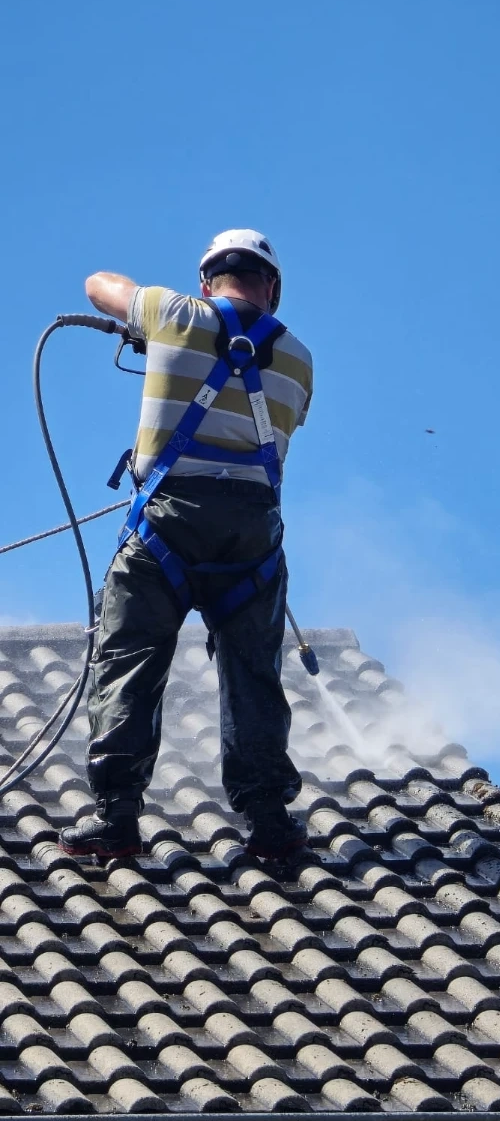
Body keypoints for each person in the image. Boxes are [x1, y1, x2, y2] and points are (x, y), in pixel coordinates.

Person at [59, 229, 314, 862]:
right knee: (253, 671)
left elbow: (98, 283)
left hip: (168, 522)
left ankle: (117, 816)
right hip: (252, 534)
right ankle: (268, 821)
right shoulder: (301, 359)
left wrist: (148, 332)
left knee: (130, 655)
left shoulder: (173, 314)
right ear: (272, 289)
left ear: (206, 283)